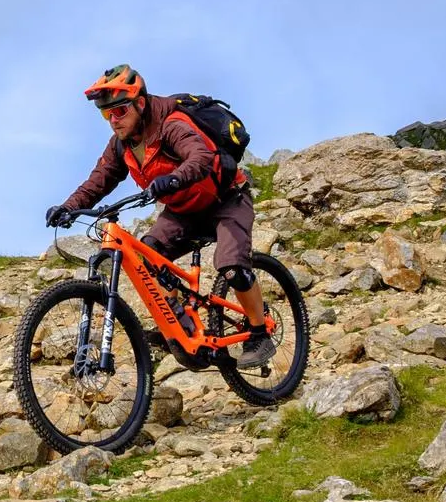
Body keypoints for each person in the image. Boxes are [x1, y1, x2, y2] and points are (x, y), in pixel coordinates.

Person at [45, 64, 274, 368]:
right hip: (183, 210)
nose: (113, 121)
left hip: (226, 199)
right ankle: (183, 328)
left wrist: (175, 178)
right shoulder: (121, 144)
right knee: (146, 258)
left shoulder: (171, 124)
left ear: (140, 103)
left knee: (231, 264)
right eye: (106, 114)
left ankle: (260, 333)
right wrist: (69, 206)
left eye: (119, 112)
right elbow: (99, 179)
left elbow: (201, 156)